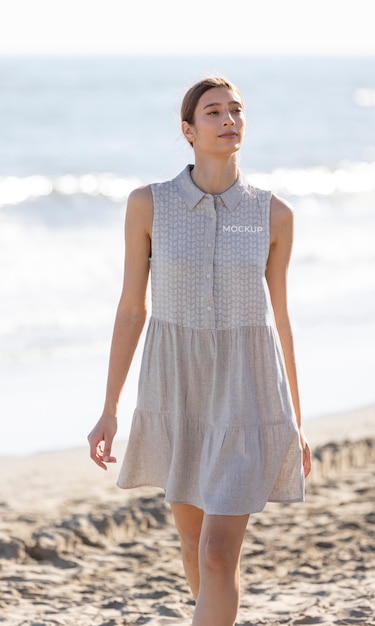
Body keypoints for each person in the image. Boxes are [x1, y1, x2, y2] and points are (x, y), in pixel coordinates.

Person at [88, 76, 311, 626]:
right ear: (188, 131)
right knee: (194, 550)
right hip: (175, 390)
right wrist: (110, 410)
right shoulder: (149, 205)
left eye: (235, 110)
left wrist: (296, 423)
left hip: (247, 394)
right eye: (213, 112)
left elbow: (281, 320)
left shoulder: (273, 214)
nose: (228, 119)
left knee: (216, 552)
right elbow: (131, 310)